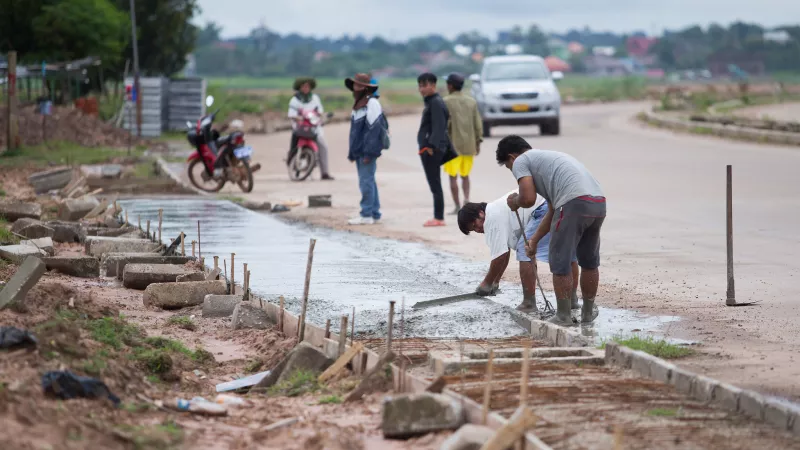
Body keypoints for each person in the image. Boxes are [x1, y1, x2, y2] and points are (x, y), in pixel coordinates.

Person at [497, 135, 606, 325]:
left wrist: (515, 201)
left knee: (559, 260)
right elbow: (553, 210)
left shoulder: (521, 161)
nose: (514, 172)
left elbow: (528, 199)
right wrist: (534, 240)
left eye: (509, 168)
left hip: (574, 204)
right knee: (589, 262)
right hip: (597, 203)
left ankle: (563, 316)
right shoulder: (549, 160)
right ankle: (587, 314)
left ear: (512, 158)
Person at [458, 191, 580, 313]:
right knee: (565, 252)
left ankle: (529, 303)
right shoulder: (495, 211)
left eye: (475, 225)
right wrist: (496, 281)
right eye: (473, 230)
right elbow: (504, 253)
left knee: (524, 250)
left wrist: (486, 283)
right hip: (555, 203)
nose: (478, 230)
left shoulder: (491, 218)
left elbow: (500, 256)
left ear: (480, 213)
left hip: (542, 209)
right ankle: (572, 301)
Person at [345, 73, 386, 225]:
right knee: (369, 180)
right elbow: (355, 132)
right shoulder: (358, 105)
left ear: (364, 88)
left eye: (357, 85)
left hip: (367, 151)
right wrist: (352, 152)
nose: (354, 88)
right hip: (359, 150)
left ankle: (366, 214)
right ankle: (374, 213)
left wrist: (369, 152)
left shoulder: (372, 103)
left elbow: (374, 130)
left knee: (365, 181)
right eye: (354, 85)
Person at [443, 73, 483, 215]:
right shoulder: (471, 102)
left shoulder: (445, 101)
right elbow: (477, 124)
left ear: (451, 86)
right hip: (468, 145)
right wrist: (478, 142)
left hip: (451, 147)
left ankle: (457, 205)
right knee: (465, 175)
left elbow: (444, 124)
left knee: (452, 176)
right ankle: (466, 199)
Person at [417, 72, 452, 227]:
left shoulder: (436, 102)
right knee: (434, 183)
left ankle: (439, 217)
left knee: (435, 184)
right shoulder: (431, 101)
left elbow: (439, 127)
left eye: (425, 85)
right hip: (429, 148)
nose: (422, 89)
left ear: (433, 85)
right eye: (420, 85)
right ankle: (438, 216)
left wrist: (430, 147)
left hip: (432, 149)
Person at [288, 77, 333, 180]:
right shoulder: (294, 100)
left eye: (307, 86)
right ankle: (293, 164)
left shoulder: (315, 98)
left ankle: (325, 172)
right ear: (299, 87)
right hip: (300, 128)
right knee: (294, 146)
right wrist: (298, 118)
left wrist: (321, 116)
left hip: (314, 127)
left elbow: (320, 111)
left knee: (323, 147)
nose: (305, 88)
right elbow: (291, 114)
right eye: (303, 86)